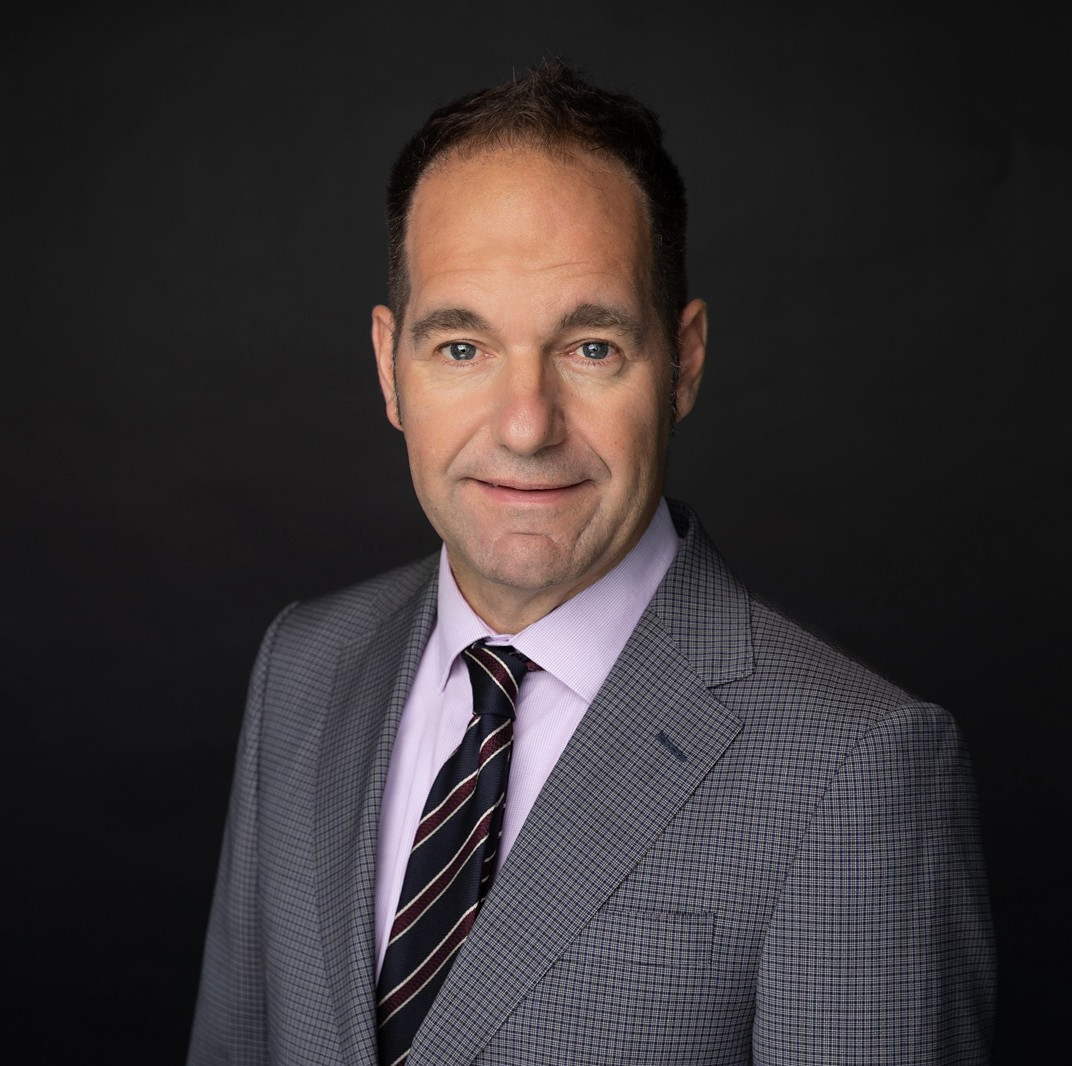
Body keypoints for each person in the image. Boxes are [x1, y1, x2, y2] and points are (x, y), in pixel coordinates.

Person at [188, 62, 996, 1065]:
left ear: (682, 361)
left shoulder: (852, 770)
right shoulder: (303, 667)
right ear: (389, 366)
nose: (526, 426)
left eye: (591, 347)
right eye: (461, 347)